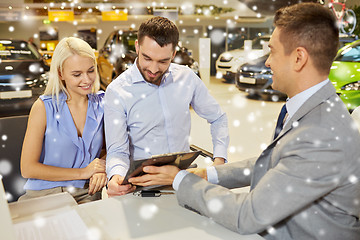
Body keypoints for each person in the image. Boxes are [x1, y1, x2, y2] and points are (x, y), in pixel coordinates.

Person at [129, 3, 360, 239]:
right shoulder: (314, 110)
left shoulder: (322, 134)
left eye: (272, 51)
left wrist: (180, 179)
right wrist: (207, 175)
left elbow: (247, 215)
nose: (267, 62)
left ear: (299, 58)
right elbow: (275, 163)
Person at [104, 16, 229, 196]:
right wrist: (115, 176)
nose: (154, 69)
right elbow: (117, 150)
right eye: (147, 58)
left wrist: (219, 162)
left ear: (173, 53)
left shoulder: (186, 78)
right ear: (137, 47)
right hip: (140, 187)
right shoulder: (117, 91)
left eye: (163, 61)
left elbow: (218, 118)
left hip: (183, 179)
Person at [20, 37, 106, 204]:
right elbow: (28, 168)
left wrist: (103, 168)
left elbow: (114, 148)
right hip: (46, 194)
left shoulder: (103, 103)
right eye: (77, 74)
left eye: (90, 70)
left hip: (90, 193)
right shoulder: (43, 107)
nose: (87, 80)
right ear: (60, 73)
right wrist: (83, 173)